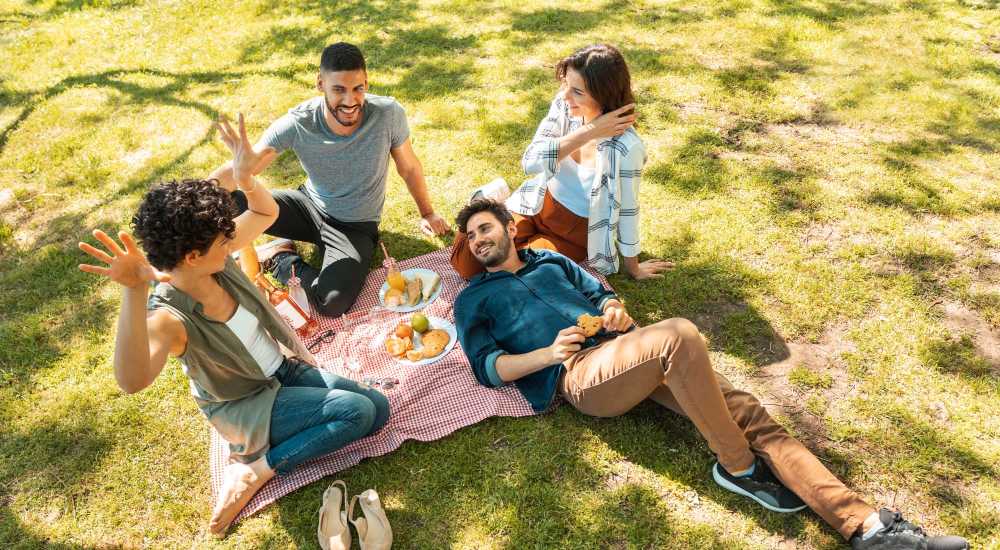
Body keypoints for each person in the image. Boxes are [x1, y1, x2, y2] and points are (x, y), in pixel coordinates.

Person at [451, 200, 968, 550]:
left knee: (748, 411)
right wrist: (546, 353)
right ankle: (737, 467)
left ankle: (868, 527)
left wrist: (612, 307)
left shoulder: (550, 262)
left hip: (630, 347)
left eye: (485, 228)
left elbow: (599, 293)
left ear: (510, 229)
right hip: (581, 374)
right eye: (469, 236)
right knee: (679, 334)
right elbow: (488, 368)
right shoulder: (474, 298)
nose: (477, 240)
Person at [78, 114, 390, 536]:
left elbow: (265, 209)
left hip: (281, 370)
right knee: (355, 412)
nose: (233, 244)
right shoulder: (169, 316)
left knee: (379, 411)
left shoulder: (213, 260)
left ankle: (268, 447)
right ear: (191, 255)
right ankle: (257, 467)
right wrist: (133, 291)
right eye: (223, 241)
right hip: (245, 402)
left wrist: (244, 177)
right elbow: (131, 380)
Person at [210, 42, 451, 317]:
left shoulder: (387, 115)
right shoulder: (299, 122)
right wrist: (190, 203)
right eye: (338, 89)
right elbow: (243, 168)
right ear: (320, 84)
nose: (350, 101)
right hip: (307, 206)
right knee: (223, 201)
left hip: (355, 227)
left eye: (358, 88)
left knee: (332, 302)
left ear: (366, 83)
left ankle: (281, 258)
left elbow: (408, 167)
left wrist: (428, 212)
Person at [450, 44, 672, 280]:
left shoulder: (627, 147)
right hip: (536, 202)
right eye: (566, 84)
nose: (566, 96)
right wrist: (589, 131)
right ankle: (484, 201)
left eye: (577, 91)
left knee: (515, 272)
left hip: (572, 232)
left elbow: (628, 210)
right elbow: (531, 161)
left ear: (602, 94)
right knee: (466, 263)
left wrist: (634, 267)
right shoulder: (565, 106)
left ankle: (491, 208)